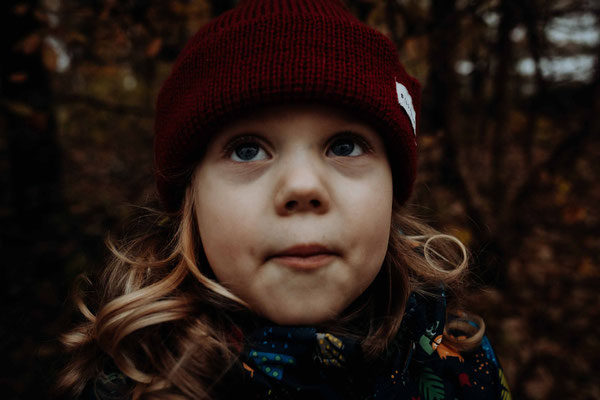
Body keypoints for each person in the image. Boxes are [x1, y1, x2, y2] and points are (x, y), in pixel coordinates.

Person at [58, 0, 511, 399]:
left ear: (393, 189)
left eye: (345, 146)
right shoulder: (129, 382)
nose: (302, 188)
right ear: (189, 200)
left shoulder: (462, 366)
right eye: (247, 150)